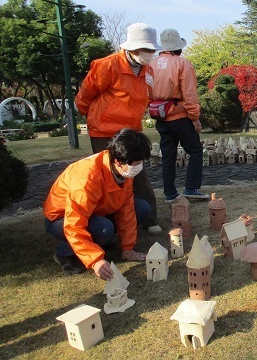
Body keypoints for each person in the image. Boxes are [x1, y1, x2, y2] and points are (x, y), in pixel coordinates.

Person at [76, 22, 162, 234]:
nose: (150, 53)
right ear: (132, 48)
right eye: (146, 49)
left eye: (152, 50)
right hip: (104, 131)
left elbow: (145, 97)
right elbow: (84, 97)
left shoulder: (147, 70)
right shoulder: (106, 65)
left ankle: (149, 218)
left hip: (131, 131)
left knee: (138, 172)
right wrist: (99, 117)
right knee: (107, 175)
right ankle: (106, 222)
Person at [43, 129, 152, 280]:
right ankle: (64, 253)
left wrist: (128, 248)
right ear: (118, 162)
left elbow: (126, 209)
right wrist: (95, 260)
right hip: (60, 218)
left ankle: (98, 241)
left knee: (141, 208)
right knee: (103, 228)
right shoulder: (87, 176)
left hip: (96, 211)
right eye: (137, 163)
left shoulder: (124, 171)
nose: (139, 167)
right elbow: (74, 223)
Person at [148, 28, 208, 202]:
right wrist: (195, 118)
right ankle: (191, 188)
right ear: (178, 47)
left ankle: (169, 193)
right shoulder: (183, 64)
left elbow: (146, 93)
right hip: (180, 116)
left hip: (160, 116)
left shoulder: (151, 65)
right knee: (195, 150)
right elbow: (189, 95)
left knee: (168, 155)